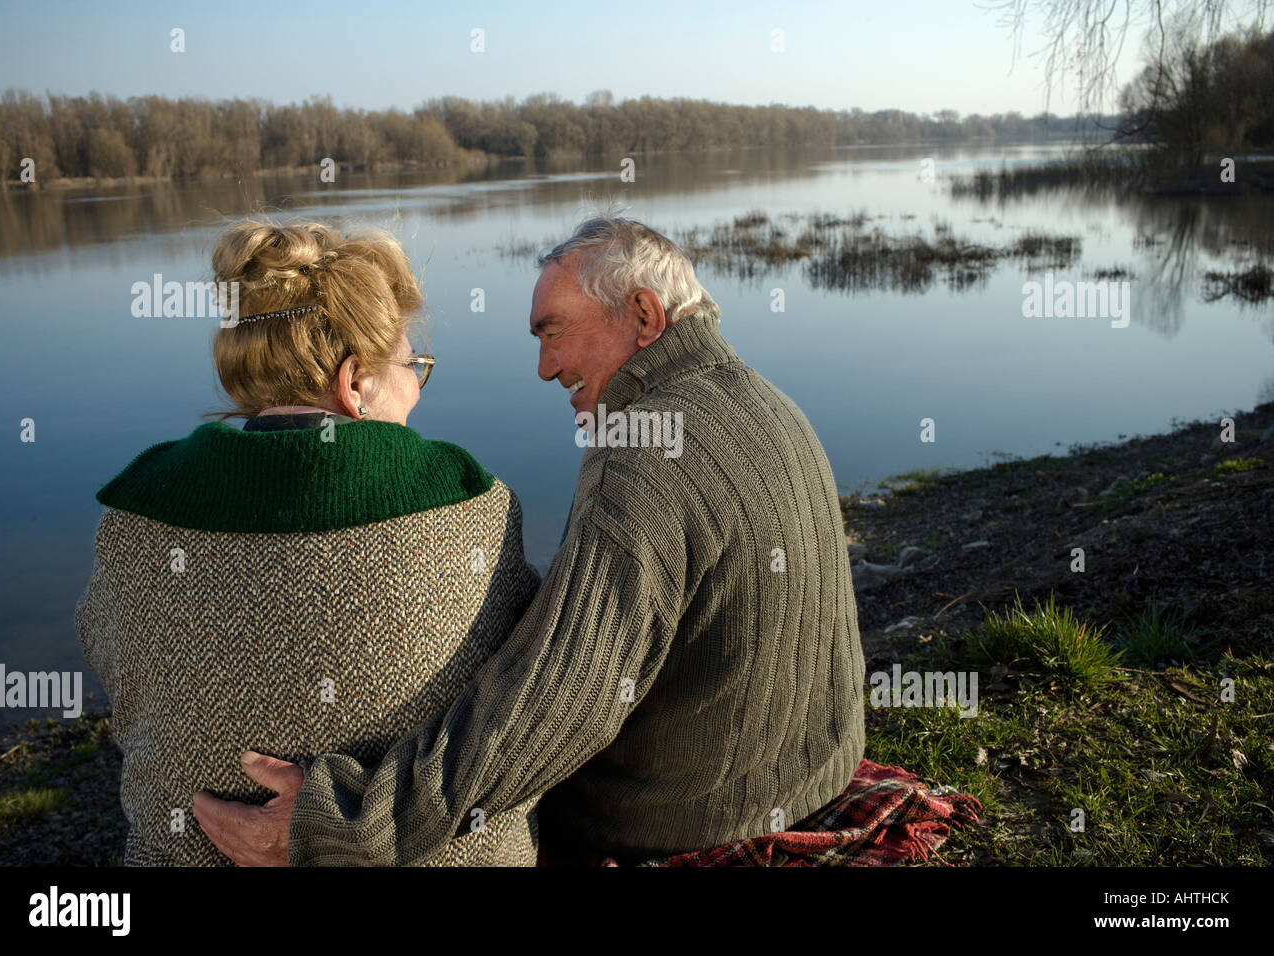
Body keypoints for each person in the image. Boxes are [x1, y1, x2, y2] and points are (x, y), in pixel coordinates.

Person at [193, 216, 867, 867]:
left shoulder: (641, 450)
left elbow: (563, 703)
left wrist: (348, 826)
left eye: (555, 333)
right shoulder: (761, 398)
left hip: (693, 814)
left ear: (643, 316)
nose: (546, 368)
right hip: (807, 775)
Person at [75, 220, 542, 865]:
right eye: (413, 367)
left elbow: (119, 676)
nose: (416, 389)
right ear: (353, 384)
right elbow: (519, 703)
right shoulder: (473, 503)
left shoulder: (134, 511)